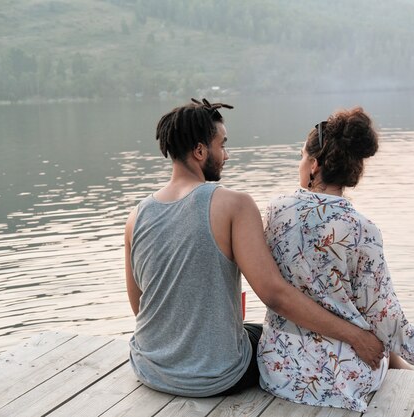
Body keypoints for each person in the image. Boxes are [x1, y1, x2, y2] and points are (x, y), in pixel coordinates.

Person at [124, 99, 385, 398]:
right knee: (273, 338)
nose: (226, 155)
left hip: (149, 367)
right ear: (200, 151)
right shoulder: (234, 204)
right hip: (215, 377)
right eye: (222, 145)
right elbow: (275, 295)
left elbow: (141, 308)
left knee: (248, 329)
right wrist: (357, 337)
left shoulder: (136, 216)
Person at [257, 107, 414, 411]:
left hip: (277, 370)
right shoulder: (362, 229)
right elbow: (385, 319)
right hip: (338, 380)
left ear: (313, 165)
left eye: (300, 157)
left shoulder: (276, 209)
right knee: (377, 338)